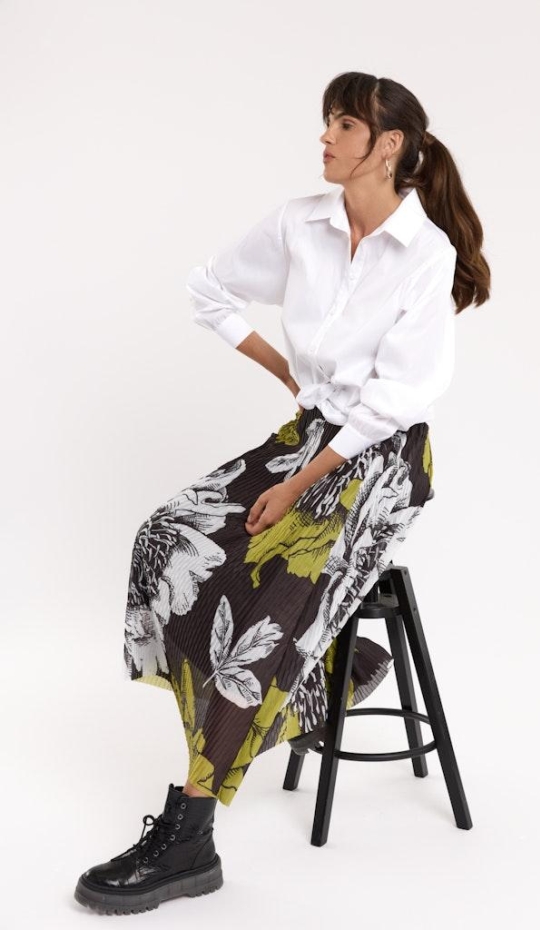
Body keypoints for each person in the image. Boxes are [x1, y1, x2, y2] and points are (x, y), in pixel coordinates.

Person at [74, 70, 490, 916]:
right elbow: (208, 288)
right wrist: (285, 375)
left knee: (268, 576)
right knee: (167, 537)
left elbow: (392, 404)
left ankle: (191, 833)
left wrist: (299, 484)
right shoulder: (302, 223)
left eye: (345, 125)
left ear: (390, 145)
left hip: (382, 459)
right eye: (327, 121)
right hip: (312, 435)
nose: (326, 137)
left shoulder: (426, 253)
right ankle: (336, 669)